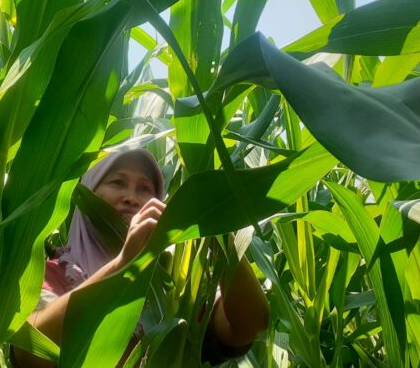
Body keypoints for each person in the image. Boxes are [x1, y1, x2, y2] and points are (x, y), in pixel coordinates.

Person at [13, 149, 270, 367]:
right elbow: (28, 350)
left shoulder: (176, 285)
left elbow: (248, 327)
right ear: (87, 192)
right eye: (117, 182)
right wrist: (124, 264)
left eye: (145, 188)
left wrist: (215, 230)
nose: (132, 197)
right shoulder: (53, 273)